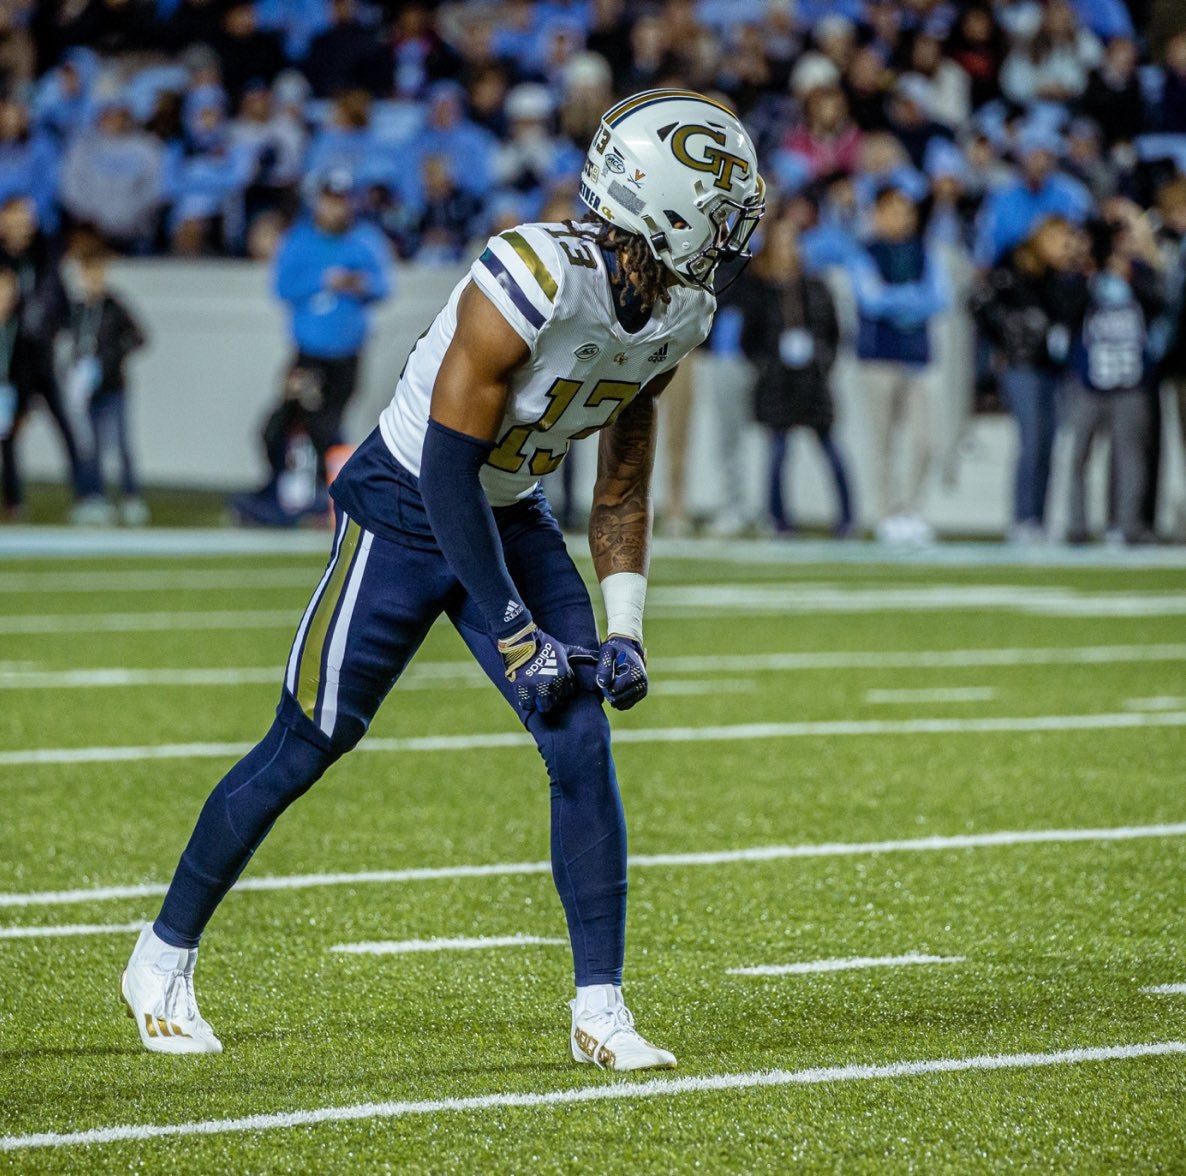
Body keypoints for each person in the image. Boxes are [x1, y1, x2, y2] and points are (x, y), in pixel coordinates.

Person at [121, 89, 765, 1068]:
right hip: (407, 504)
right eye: (718, 210)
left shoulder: (682, 312)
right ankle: (160, 957)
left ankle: (600, 1010)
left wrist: (624, 630)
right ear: (663, 206)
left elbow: (623, 484)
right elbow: (443, 469)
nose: (732, 233)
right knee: (311, 739)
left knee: (580, 736)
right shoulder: (531, 275)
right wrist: (517, 633)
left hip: (510, 507)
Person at [270, 169, 392, 483]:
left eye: (342, 200)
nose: (336, 208)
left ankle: (332, 493)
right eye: (330, 200)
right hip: (308, 356)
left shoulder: (365, 240)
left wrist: (357, 284)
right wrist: (324, 280)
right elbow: (282, 288)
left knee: (326, 423)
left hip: (347, 355)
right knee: (288, 424)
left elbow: (382, 287)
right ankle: (287, 489)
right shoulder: (299, 240)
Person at [736, 210, 853, 536]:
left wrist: (822, 363)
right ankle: (778, 519)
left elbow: (835, 332)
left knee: (830, 448)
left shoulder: (816, 286)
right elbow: (749, 340)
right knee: (777, 451)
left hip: (812, 380)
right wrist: (768, 366)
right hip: (777, 381)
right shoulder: (759, 288)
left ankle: (847, 518)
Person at [970, 216, 1086, 541]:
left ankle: (1040, 517)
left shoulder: (1062, 277)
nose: (1064, 247)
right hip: (1021, 366)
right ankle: (1023, 518)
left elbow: (1071, 316)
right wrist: (1005, 342)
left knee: (1048, 445)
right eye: (1059, 239)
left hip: (1052, 368)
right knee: (1032, 441)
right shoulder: (1012, 268)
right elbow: (980, 304)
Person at [848, 181, 949, 543]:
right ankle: (887, 514)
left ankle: (912, 510)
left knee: (926, 441)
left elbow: (941, 300)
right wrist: (912, 297)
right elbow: (870, 300)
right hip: (878, 358)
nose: (901, 217)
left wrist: (898, 298)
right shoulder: (864, 251)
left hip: (918, 358)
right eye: (892, 209)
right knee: (882, 442)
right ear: (875, 213)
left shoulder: (925, 250)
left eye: (906, 210)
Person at [1064, 218, 1161, 544]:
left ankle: (1127, 524)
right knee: (1078, 455)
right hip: (1090, 379)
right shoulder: (1082, 277)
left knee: (1130, 457)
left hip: (1131, 381)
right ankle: (1077, 526)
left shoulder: (1141, 274)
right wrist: (1085, 274)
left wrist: (1131, 274)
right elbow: (1066, 313)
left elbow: (1160, 304)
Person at [65, 229, 149, 525]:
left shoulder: (114, 305)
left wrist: (111, 359)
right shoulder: (77, 310)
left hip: (114, 386)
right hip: (88, 388)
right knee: (93, 445)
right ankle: (95, 496)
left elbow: (140, 337)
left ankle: (130, 496)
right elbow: (72, 343)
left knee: (122, 444)